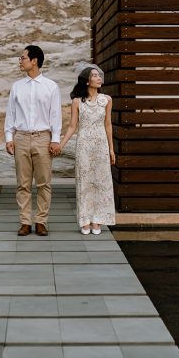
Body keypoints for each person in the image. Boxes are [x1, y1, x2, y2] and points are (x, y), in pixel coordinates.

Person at [4, 45, 62, 237]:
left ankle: (41, 221)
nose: (20, 61)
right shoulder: (16, 87)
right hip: (20, 138)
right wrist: (8, 138)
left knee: (44, 182)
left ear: (34, 60)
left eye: (23, 58)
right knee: (23, 183)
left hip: (43, 138)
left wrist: (55, 140)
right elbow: (10, 115)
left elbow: (56, 115)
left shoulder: (51, 86)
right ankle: (25, 222)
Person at [57, 65, 116, 235]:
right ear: (87, 80)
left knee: (101, 182)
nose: (99, 78)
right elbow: (72, 127)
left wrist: (111, 149)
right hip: (84, 145)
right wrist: (61, 144)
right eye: (95, 76)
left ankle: (97, 220)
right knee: (85, 182)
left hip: (101, 145)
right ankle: (85, 220)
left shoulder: (107, 100)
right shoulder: (77, 101)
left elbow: (108, 125)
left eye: (99, 75)